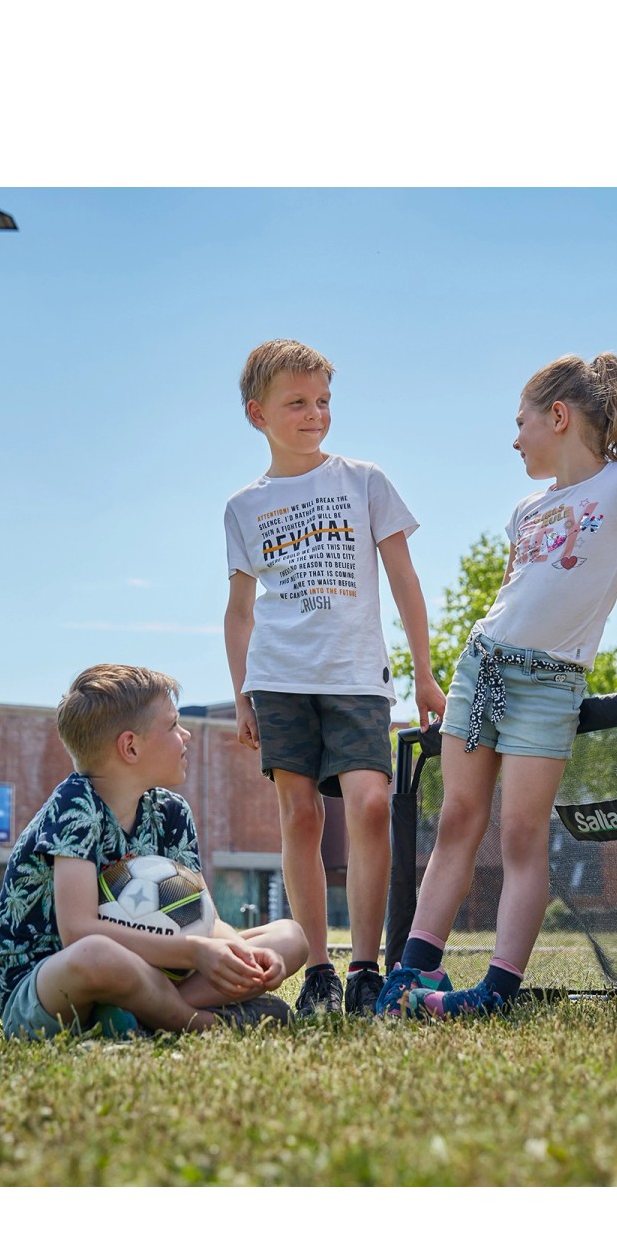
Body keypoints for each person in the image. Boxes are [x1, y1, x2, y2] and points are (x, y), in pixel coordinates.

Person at [378, 351, 617, 1019]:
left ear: (558, 417)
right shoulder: (524, 510)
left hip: (549, 683)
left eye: (522, 423)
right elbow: (515, 593)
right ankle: (410, 974)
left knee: (518, 834)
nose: (515, 440)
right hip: (481, 666)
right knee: (456, 819)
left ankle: (495, 991)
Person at [223, 339, 446, 1018]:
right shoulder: (243, 507)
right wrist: (240, 694)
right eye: (297, 403)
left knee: (371, 805)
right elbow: (238, 613)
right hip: (279, 678)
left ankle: (365, 966)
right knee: (300, 815)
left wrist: (427, 675)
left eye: (322, 401)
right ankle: (318, 968)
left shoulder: (365, 480)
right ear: (259, 414)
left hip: (357, 678)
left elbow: (405, 581)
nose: (314, 414)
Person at [0, 664, 307, 1040]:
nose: (185, 734)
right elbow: (77, 932)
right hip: (52, 988)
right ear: (131, 746)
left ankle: (135, 1019)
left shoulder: (171, 812)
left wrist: (238, 956)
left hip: (157, 972)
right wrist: (194, 953)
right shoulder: (74, 806)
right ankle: (190, 1021)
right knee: (96, 953)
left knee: (290, 936)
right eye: (173, 725)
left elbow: (205, 920)